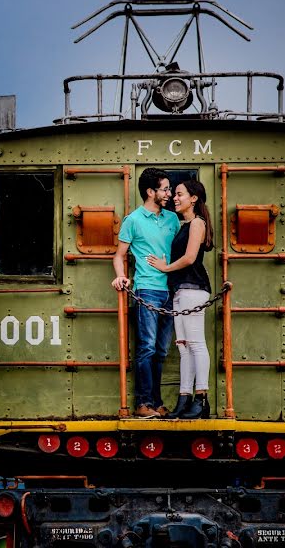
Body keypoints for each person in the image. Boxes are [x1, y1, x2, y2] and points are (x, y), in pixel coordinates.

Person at [112, 168, 180, 418]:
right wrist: (120, 275)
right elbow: (119, 255)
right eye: (165, 189)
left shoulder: (173, 219)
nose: (169, 193)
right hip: (147, 290)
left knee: (161, 351)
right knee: (147, 348)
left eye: (169, 189)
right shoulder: (133, 220)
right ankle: (143, 404)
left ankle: (156, 402)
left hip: (171, 292)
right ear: (151, 192)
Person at [146, 180, 213, 419]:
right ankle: (184, 399)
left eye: (180, 194)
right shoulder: (185, 225)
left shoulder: (197, 223)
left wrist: (164, 268)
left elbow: (190, 258)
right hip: (181, 290)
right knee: (184, 347)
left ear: (193, 198)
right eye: (174, 194)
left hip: (193, 288)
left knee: (196, 344)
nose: (175, 198)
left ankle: (202, 399)